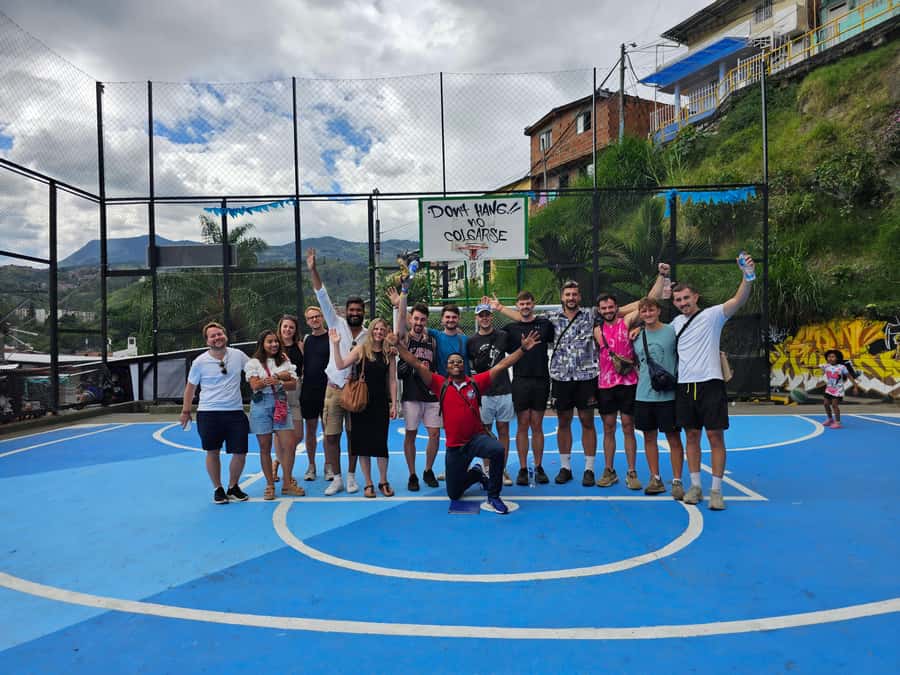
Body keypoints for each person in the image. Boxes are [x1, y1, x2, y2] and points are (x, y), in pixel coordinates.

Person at [387, 328, 542, 514]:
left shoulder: (476, 382)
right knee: (454, 493)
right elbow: (416, 363)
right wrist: (397, 344)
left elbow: (502, 365)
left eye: (459, 362)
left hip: (476, 439)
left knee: (497, 450)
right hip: (455, 447)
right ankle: (476, 473)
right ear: (446, 366)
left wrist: (523, 349)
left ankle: (493, 495)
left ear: (464, 365)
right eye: (452, 362)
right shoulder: (439, 384)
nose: (455, 364)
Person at [670, 253, 756, 511]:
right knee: (692, 436)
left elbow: (739, 299)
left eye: (686, 298)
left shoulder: (713, 316)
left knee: (715, 436)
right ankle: (695, 486)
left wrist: (747, 275)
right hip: (685, 386)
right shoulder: (674, 324)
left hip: (711, 384)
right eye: (678, 300)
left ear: (695, 297)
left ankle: (716, 490)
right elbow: (649, 323)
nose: (683, 303)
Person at [307, 248, 368, 496]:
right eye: (351, 309)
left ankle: (352, 476)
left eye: (358, 310)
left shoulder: (368, 335)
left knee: (354, 437)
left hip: (354, 392)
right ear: (345, 310)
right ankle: (338, 477)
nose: (354, 313)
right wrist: (313, 269)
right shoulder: (336, 323)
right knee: (331, 437)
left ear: (363, 312)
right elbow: (321, 295)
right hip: (333, 391)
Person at [486, 291, 555, 486]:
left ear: (533, 304)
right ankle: (523, 468)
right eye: (521, 304)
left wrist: (500, 308)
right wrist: (496, 309)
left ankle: (539, 466)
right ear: (517, 306)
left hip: (541, 379)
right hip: (520, 380)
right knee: (523, 424)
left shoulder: (544, 325)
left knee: (537, 424)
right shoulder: (510, 329)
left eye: (528, 303)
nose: (525, 307)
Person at [179, 322, 251, 504]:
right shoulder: (200, 362)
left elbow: (254, 370)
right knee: (213, 452)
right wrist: (186, 410)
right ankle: (218, 488)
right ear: (207, 340)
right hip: (209, 413)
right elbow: (190, 388)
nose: (217, 338)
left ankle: (233, 486)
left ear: (225, 335)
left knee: (240, 452)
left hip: (235, 412)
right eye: (213, 336)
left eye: (219, 334)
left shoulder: (238, 355)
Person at [330, 318, 398, 497]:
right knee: (363, 444)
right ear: (371, 330)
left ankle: (383, 480)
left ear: (386, 332)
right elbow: (340, 365)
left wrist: (394, 403)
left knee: (381, 444)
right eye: (376, 328)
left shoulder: (389, 353)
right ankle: (368, 483)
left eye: (382, 329)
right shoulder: (361, 349)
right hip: (361, 403)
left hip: (380, 403)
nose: (379, 332)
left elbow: (392, 379)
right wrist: (336, 345)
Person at [630, 296, 686, 498]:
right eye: (643, 311)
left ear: (658, 311)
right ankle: (655, 478)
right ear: (640, 314)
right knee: (649, 437)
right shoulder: (636, 337)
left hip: (668, 396)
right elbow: (636, 363)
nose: (648, 314)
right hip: (644, 394)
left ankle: (677, 480)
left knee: (673, 438)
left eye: (651, 310)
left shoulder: (672, 332)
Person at [388, 286, 441, 491]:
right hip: (411, 394)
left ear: (427, 321)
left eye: (422, 320)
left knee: (435, 434)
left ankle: (428, 470)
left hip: (430, 394)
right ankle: (412, 474)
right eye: (416, 319)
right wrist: (402, 296)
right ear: (411, 319)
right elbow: (400, 320)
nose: (419, 323)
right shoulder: (404, 338)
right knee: (410, 434)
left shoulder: (432, 341)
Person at [244, 330, 305, 499]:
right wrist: (267, 381)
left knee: (290, 444)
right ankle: (270, 485)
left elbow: (292, 384)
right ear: (262, 344)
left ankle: (287, 483)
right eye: (270, 342)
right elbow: (254, 385)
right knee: (265, 447)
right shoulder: (253, 362)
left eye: (276, 342)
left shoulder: (284, 360)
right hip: (261, 405)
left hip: (280, 403)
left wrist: (278, 378)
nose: (274, 345)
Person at [467, 303, 514, 486]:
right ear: (477, 318)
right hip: (483, 393)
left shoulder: (503, 336)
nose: (484, 318)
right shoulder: (471, 341)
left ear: (491, 317)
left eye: (487, 315)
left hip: (503, 389)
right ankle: (487, 470)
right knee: (485, 432)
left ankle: (501, 468)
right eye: (481, 315)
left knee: (503, 430)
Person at [272, 315, 304, 485]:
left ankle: (278, 461)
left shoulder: (300, 345)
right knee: (281, 434)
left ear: (295, 330)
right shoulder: (274, 346)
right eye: (285, 326)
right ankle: (285, 472)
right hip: (279, 391)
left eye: (291, 327)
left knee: (298, 435)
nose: (287, 330)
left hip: (296, 391)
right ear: (280, 327)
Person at [299, 305, 330, 480]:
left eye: (317, 316)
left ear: (322, 317)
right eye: (311, 318)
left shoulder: (332, 338)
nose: (315, 320)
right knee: (309, 430)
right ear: (307, 321)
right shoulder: (306, 341)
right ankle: (311, 466)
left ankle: (328, 466)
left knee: (328, 431)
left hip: (327, 392)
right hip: (308, 391)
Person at [819, 349, 858, 429]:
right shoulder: (826, 366)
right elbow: (814, 367)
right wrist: (804, 366)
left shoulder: (842, 367)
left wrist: (855, 386)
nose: (830, 358)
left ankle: (838, 422)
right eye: (829, 356)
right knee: (826, 404)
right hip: (829, 389)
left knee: (834, 405)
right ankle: (830, 419)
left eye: (833, 357)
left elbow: (849, 376)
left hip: (838, 390)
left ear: (837, 358)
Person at [430, 304, 469, 376]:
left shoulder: (466, 340)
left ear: (459, 319)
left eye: (454, 317)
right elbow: (414, 324)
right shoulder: (436, 335)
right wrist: (403, 296)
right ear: (442, 319)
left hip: (464, 384)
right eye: (447, 317)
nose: (451, 320)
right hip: (444, 384)